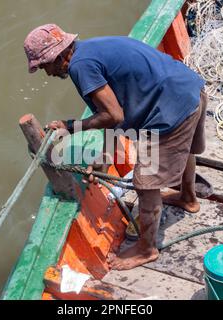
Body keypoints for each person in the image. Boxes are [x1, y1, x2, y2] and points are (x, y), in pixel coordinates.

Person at [24, 24, 208, 270]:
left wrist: (71, 126)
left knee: (146, 184)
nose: (46, 73)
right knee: (183, 150)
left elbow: (113, 115)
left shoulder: (81, 68)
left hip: (170, 113)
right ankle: (188, 197)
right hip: (190, 90)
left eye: (44, 65)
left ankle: (146, 249)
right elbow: (112, 115)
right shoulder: (92, 49)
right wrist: (104, 158)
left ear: (57, 56)